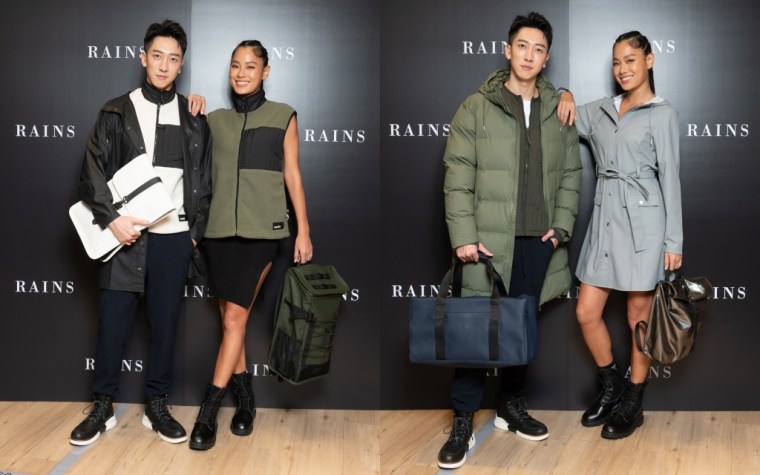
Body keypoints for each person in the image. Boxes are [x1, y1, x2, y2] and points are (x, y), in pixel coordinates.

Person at [440, 12, 581, 469]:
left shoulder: (559, 109)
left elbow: (572, 173)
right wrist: (463, 235)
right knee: (473, 330)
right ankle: (463, 420)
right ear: (507, 50)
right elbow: (457, 174)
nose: (529, 55)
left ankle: (510, 406)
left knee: (520, 327)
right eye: (522, 46)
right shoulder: (475, 107)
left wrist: (561, 226)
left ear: (546, 58)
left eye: (539, 49)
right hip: (486, 242)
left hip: (537, 240)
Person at [70, 19, 212, 446]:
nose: (164, 65)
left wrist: (192, 235)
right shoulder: (115, 110)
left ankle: (157, 406)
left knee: (165, 325)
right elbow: (92, 171)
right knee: (113, 322)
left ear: (182, 64)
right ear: (142, 58)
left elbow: (205, 181)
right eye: (157, 56)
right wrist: (112, 219)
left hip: (173, 238)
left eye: (173, 59)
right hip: (123, 235)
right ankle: (102, 406)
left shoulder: (193, 116)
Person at [188, 40, 313, 451]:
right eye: (235, 66)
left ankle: (208, 411)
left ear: (265, 71)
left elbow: (292, 175)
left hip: (262, 234)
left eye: (250, 66)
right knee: (231, 323)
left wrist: (303, 230)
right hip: (217, 234)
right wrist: (189, 106)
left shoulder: (283, 115)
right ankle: (246, 400)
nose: (241, 73)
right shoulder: (214, 119)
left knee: (233, 319)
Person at [558, 31, 683, 439]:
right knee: (586, 311)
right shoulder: (602, 110)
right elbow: (565, 110)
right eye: (616, 62)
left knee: (637, 318)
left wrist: (674, 242)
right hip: (605, 220)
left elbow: (671, 178)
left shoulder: (662, 113)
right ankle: (611, 384)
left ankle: (634, 400)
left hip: (645, 224)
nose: (622, 69)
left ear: (649, 60)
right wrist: (563, 92)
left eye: (630, 59)